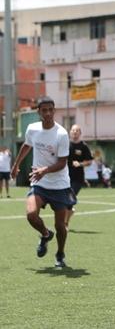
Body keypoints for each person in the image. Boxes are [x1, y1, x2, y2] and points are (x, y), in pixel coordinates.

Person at [10, 96, 76, 268]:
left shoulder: (61, 134)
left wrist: (44, 170)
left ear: (54, 111)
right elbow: (27, 145)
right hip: (39, 183)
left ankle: (60, 254)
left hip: (59, 185)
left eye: (50, 110)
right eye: (44, 110)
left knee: (60, 225)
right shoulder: (32, 129)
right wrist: (16, 165)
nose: (47, 113)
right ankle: (46, 235)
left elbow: (62, 163)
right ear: (38, 112)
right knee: (31, 215)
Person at [66, 124, 93, 228]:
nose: (74, 132)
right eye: (73, 130)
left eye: (77, 131)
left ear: (80, 133)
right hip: (64, 178)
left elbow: (89, 161)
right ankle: (69, 213)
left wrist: (80, 164)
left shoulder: (84, 146)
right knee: (63, 201)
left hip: (77, 179)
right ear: (70, 132)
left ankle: (65, 223)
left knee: (69, 200)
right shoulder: (66, 144)